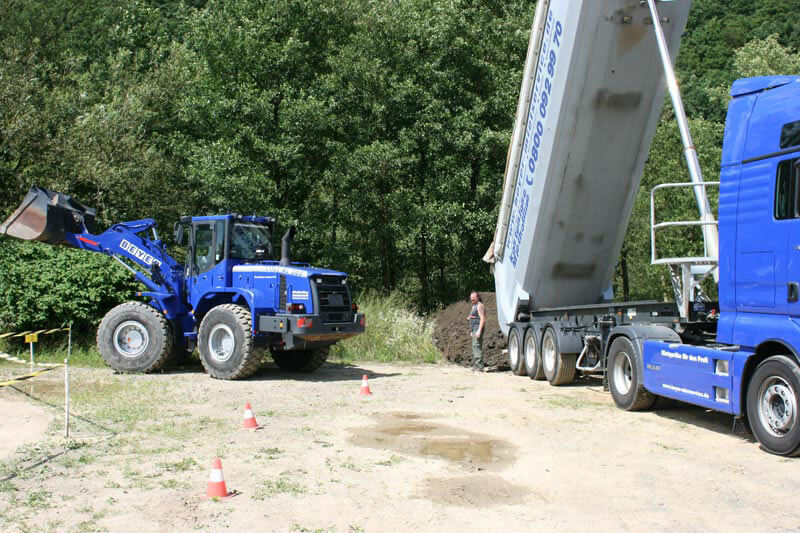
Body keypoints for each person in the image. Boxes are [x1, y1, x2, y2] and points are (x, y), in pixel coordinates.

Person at [467, 291, 486, 371]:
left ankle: (480, 367)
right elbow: (473, 317)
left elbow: (483, 319)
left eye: (473, 298)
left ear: (478, 297)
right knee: (475, 346)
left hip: (478, 328)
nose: (472, 299)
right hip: (474, 328)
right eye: (471, 298)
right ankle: (477, 365)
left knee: (477, 346)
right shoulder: (474, 306)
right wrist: (471, 330)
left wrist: (479, 331)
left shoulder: (479, 305)